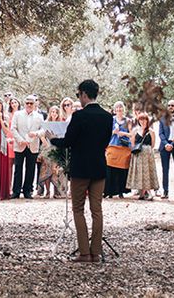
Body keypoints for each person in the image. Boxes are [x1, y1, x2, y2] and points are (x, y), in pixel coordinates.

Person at [50, 79, 113, 263]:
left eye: (78, 95)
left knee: (78, 209)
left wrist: (53, 139)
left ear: (84, 94)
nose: (79, 98)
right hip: (99, 166)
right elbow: (105, 142)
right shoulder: (107, 117)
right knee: (97, 210)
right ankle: (96, 252)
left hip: (80, 168)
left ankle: (84, 252)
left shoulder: (79, 116)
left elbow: (68, 141)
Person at [11, 94, 44, 198]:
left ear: (35, 104)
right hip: (20, 145)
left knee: (30, 169)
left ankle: (27, 191)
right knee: (18, 168)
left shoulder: (39, 116)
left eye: (31, 103)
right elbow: (13, 128)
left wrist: (36, 133)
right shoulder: (17, 114)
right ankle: (16, 191)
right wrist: (20, 140)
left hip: (33, 145)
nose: (29, 105)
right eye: (27, 103)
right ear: (24, 104)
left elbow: (43, 129)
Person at [127, 111, 159, 200]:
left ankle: (148, 192)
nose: (143, 121)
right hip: (138, 154)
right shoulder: (135, 130)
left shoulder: (151, 131)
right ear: (138, 120)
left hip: (147, 154)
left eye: (144, 119)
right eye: (141, 119)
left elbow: (153, 144)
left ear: (147, 120)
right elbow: (132, 143)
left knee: (147, 173)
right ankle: (141, 193)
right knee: (139, 173)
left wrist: (146, 149)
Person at [104, 101, 132, 199]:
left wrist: (123, 133)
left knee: (122, 171)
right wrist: (114, 132)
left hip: (124, 148)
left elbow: (131, 134)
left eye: (120, 108)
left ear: (123, 109)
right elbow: (106, 133)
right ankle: (110, 192)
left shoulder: (128, 121)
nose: (119, 109)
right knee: (110, 170)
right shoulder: (111, 120)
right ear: (114, 110)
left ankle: (121, 191)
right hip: (112, 146)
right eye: (117, 108)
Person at [158, 100, 174, 200]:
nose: (170, 107)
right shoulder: (162, 118)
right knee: (165, 169)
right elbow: (160, 133)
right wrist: (166, 143)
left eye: (172, 105)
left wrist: (172, 144)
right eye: (169, 105)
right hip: (164, 146)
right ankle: (165, 191)